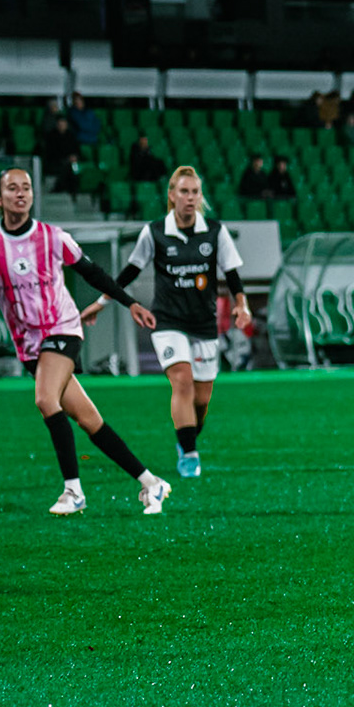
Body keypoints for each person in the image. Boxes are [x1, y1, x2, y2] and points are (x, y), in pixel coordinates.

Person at [0, 167, 170, 516]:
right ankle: (151, 482)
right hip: (28, 343)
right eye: (12, 188)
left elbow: (93, 272)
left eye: (26, 187)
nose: (21, 193)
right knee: (89, 420)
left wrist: (129, 302)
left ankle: (73, 491)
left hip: (62, 328)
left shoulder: (53, 237)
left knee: (44, 399)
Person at [86, 165, 249, 479]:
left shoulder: (215, 231)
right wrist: (101, 303)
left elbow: (233, 276)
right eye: (184, 192)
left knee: (201, 401)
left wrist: (243, 307)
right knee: (182, 382)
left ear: (201, 197)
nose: (190, 198)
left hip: (203, 325)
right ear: (171, 196)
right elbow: (129, 273)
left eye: (195, 192)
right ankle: (189, 454)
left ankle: (185, 438)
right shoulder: (155, 232)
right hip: (168, 322)